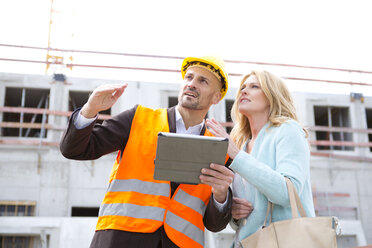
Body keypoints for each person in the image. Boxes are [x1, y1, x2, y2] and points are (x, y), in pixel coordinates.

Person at [60, 55, 234, 248]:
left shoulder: (220, 149)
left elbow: (214, 224)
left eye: (203, 81)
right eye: (189, 77)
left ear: (216, 97)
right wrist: (90, 110)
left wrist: (220, 195)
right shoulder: (138, 119)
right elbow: (74, 150)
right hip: (120, 239)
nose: (192, 84)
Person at [206, 70, 315, 247]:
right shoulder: (242, 145)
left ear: (272, 95)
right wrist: (235, 213)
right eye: (242, 87)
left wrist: (237, 156)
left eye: (254, 86)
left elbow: (288, 193)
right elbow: (251, 210)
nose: (244, 91)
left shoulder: (288, 130)